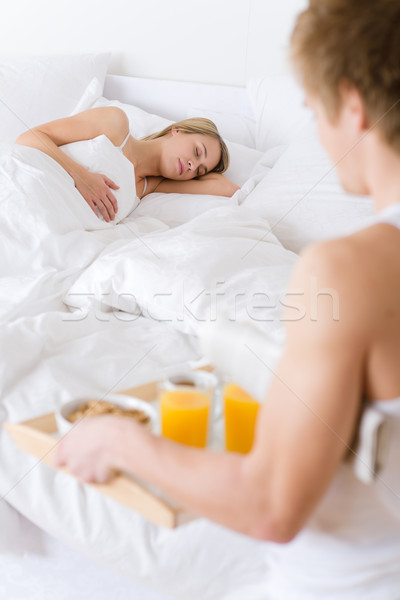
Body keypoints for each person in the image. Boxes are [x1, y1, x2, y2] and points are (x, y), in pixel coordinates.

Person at [54, 0, 400, 596]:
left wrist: (117, 439)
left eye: (315, 111)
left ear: (352, 106)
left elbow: (270, 506)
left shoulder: (350, 268)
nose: (319, 132)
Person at [16, 111, 238, 223]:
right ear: (177, 130)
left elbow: (228, 189)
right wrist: (79, 175)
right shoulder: (115, 124)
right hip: (20, 191)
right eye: (197, 152)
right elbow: (28, 138)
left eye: (199, 171)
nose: (192, 165)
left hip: (46, 226)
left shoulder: (147, 187)